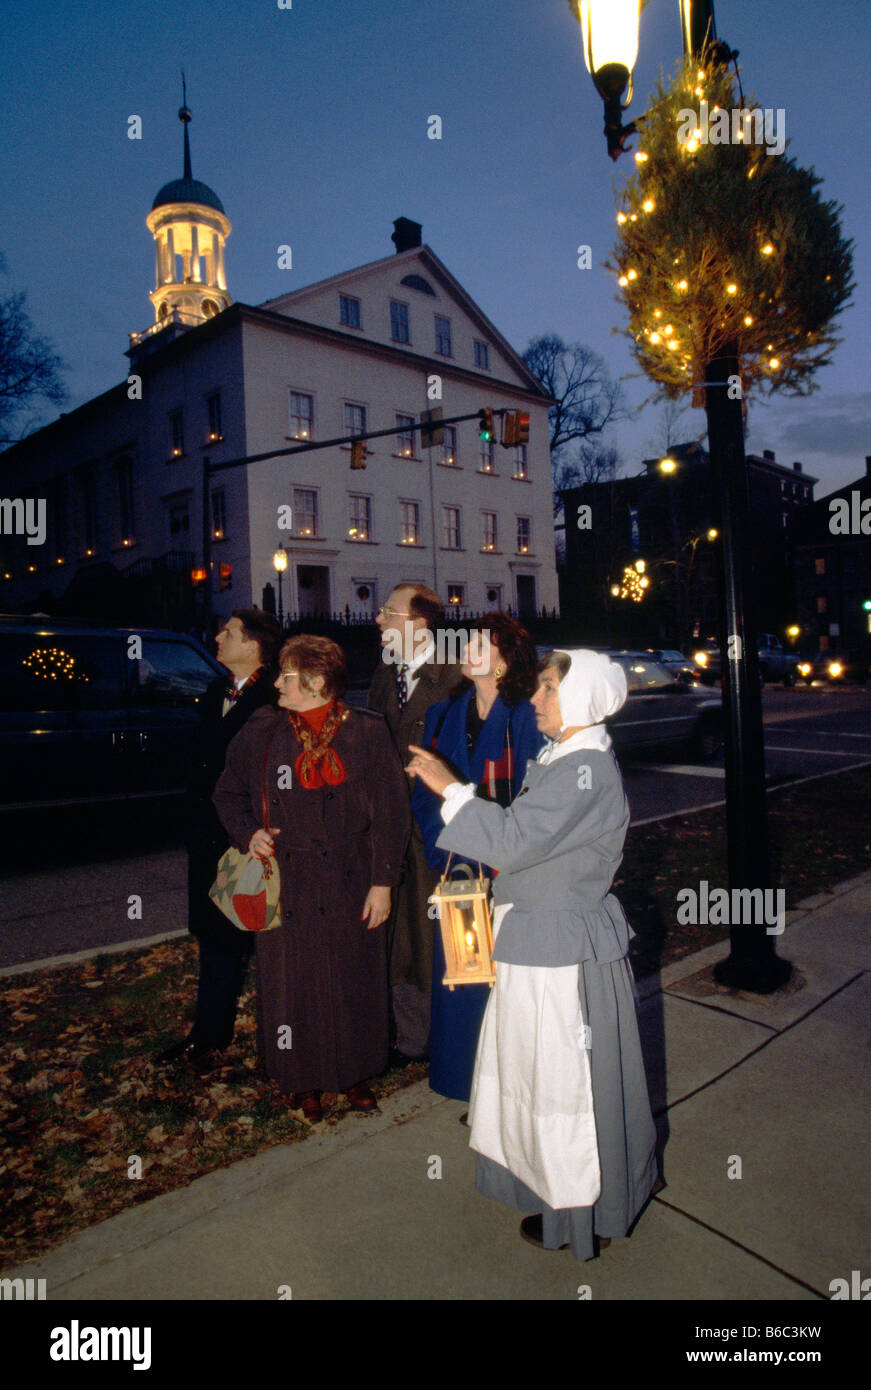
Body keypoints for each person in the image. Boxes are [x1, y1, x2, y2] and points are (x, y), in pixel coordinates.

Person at [407, 649, 660, 1261]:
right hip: (537, 943)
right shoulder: (565, 758)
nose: (537, 699)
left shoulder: (585, 772)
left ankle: (585, 1214)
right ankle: (557, 1200)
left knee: (568, 1091)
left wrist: (449, 788)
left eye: (547, 689)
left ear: (579, 700)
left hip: (561, 957)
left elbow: (515, 841)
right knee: (539, 1084)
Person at [213, 634, 411, 1123]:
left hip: (352, 878)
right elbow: (226, 793)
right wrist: (249, 834)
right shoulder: (262, 730)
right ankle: (302, 1080)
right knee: (292, 982)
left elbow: (391, 813)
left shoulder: (367, 731)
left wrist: (383, 881)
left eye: (287, 675)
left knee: (354, 977)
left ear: (318, 682)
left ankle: (355, 1072)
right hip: (286, 879)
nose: (277, 683)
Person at [411, 613, 544, 1102]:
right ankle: (475, 1089)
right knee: (467, 976)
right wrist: (439, 841)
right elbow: (424, 791)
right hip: (459, 869)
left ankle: (513, 1090)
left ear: (504, 662)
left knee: (512, 983)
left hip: (512, 872)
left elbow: (538, 795)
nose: (465, 648)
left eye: (478, 644)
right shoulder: (442, 715)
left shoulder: (528, 717)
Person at [155, 608, 281, 1067]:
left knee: (262, 940)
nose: (218, 636)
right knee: (214, 938)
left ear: (253, 646)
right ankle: (209, 1035)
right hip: (209, 837)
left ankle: (283, 1038)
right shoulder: (214, 691)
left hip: (250, 841)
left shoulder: (275, 696)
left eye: (229, 632)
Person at [368, 584, 464, 1061]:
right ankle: (410, 1036)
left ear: (420, 624)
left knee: (435, 933)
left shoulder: (454, 676)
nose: (379, 620)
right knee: (399, 932)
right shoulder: (385, 674)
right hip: (390, 826)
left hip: (439, 827)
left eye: (389, 613)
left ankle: (447, 1033)